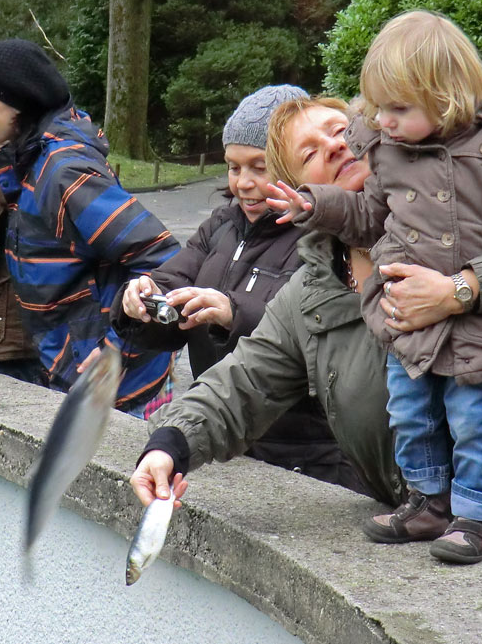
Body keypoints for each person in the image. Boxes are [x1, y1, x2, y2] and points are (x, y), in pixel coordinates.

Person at [130, 76, 482, 637]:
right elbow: (242, 386)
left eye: (341, 132)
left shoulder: (465, 210)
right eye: (309, 152)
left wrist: (462, 289)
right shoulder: (312, 293)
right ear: (297, 195)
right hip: (431, 555)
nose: (334, 148)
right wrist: (169, 446)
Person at [268, 12, 482, 564]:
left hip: (480, 333)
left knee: (472, 419)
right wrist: (316, 205)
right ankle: (428, 500)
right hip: (409, 330)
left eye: (397, 110)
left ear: (444, 100)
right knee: (410, 411)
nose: (381, 123)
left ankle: (477, 515)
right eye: (376, 110)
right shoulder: (389, 154)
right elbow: (369, 212)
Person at [112, 86, 363, 487]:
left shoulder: (320, 238)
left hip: (310, 454)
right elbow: (174, 277)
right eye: (233, 167)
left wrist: (232, 312)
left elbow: (304, 331)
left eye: (258, 167)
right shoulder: (222, 225)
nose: (243, 183)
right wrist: (140, 299)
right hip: (232, 442)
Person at [0, 38, 180, 416]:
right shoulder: (29, 160)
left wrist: (112, 351)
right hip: (78, 378)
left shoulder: (65, 172)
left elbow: (163, 258)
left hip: (121, 392)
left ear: (18, 101)